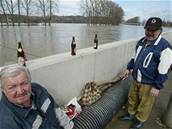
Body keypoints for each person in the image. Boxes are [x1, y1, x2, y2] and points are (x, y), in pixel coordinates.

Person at [119, 17, 172, 129]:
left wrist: (157, 87)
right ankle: (130, 114)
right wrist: (128, 69)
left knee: (145, 104)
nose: (150, 33)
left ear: (160, 31)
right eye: (148, 29)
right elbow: (134, 58)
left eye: (153, 30)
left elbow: (163, 70)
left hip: (149, 83)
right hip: (136, 79)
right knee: (132, 98)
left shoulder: (164, 47)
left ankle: (140, 120)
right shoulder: (141, 41)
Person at [0, 65, 74, 129]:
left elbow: (57, 112)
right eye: (12, 87)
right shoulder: (5, 122)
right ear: (3, 90)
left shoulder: (38, 90)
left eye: (24, 83)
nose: (20, 91)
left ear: (30, 82)